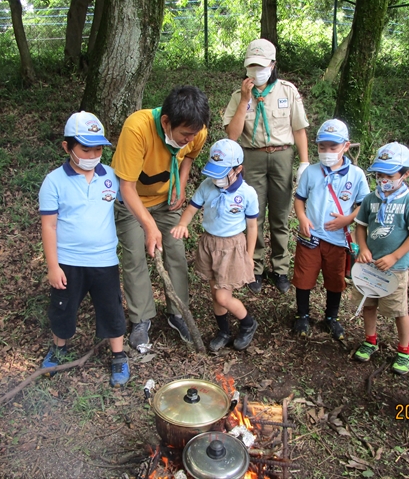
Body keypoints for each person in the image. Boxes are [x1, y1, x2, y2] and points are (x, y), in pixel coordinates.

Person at [112, 86, 210, 349]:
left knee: (176, 252)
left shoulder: (196, 131)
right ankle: (141, 318)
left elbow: (189, 155)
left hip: (167, 203)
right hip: (132, 204)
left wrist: (182, 182)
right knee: (134, 258)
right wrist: (148, 225)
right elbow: (126, 187)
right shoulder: (137, 128)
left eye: (194, 134)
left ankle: (178, 312)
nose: (190, 139)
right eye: (185, 134)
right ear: (166, 121)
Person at [38, 111, 129, 387]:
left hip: (104, 260)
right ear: (67, 147)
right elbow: (49, 227)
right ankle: (58, 349)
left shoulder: (111, 177)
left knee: (111, 307)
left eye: (98, 148)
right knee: (63, 308)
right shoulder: (54, 181)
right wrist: (53, 266)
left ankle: (119, 355)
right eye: (85, 148)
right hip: (68, 261)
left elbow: (132, 199)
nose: (92, 154)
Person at [223, 38, 310, 294]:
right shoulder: (238, 96)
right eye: (251, 66)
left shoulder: (287, 91)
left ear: (272, 65)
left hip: (282, 155)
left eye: (261, 65)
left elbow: (299, 129)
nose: (256, 71)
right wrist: (244, 101)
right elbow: (232, 136)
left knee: (280, 216)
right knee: (254, 214)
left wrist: (304, 162)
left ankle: (280, 268)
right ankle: (255, 267)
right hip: (253, 156)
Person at [171, 139, 259, 351]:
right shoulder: (207, 186)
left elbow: (253, 227)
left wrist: (249, 255)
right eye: (213, 172)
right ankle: (224, 331)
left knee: (222, 295)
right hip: (209, 244)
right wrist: (182, 223)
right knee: (215, 293)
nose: (215, 178)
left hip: (232, 247)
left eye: (221, 173)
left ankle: (248, 323)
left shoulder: (247, 194)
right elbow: (192, 208)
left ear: (238, 169)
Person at [352, 142, 409, 375]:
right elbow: (361, 227)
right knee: (368, 304)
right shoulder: (370, 199)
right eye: (379, 174)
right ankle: (370, 340)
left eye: (389, 175)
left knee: (398, 310)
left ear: (406, 173)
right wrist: (362, 248)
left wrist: (394, 256)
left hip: (395, 268)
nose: (383, 179)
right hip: (368, 266)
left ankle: (404, 350)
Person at [291, 119, 369, 339]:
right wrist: (302, 218)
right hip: (311, 235)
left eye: (333, 147)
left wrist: (347, 219)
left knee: (335, 279)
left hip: (337, 239)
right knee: (304, 275)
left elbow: (364, 205)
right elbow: (299, 199)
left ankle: (331, 317)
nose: (327, 152)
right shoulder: (311, 172)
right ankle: (302, 315)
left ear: (346, 146)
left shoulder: (356, 175)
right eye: (322, 147)